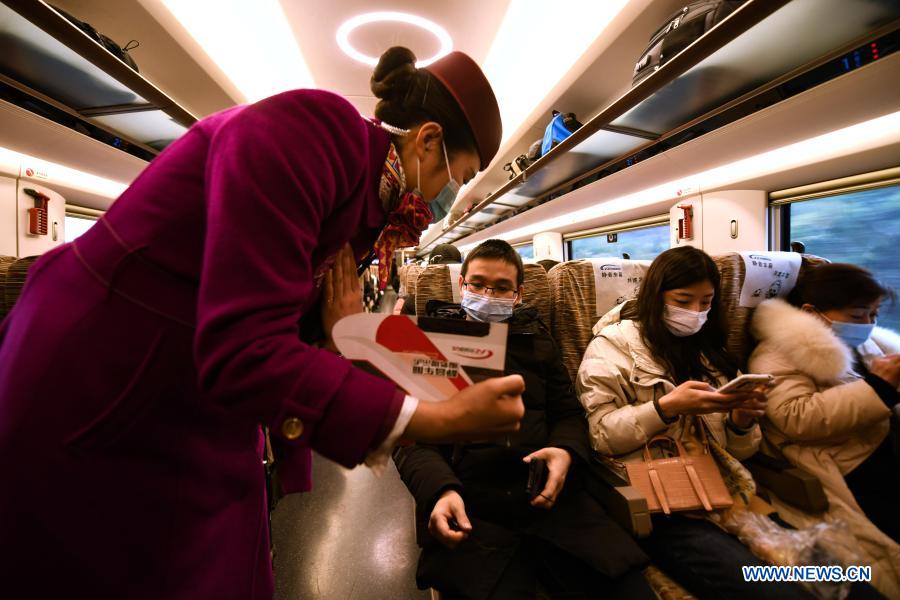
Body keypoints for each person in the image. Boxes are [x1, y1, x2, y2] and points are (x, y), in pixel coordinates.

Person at [0, 47, 526, 599]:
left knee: (222, 559)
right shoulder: (315, 131)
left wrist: (347, 336)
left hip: (191, 384)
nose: (450, 197)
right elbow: (246, 345)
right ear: (427, 139)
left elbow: (294, 318)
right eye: (457, 176)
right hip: (105, 367)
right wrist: (431, 420)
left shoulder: (370, 209)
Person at [395, 240, 653, 600]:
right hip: (473, 506)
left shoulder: (539, 341)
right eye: (478, 284)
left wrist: (564, 452)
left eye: (501, 288)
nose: (488, 294)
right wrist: (441, 491)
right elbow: (411, 444)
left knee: (628, 589)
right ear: (462, 287)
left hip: (549, 498)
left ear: (517, 295)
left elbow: (568, 413)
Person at [576, 246, 812, 599]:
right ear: (656, 295)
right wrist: (665, 408)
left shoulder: (710, 352)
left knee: (836, 576)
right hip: (665, 505)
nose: (695, 313)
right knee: (774, 591)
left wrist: (741, 421)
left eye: (706, 303)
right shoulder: (612, 346)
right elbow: (600, 435)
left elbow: (738, 452)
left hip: (725, 490)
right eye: (684, 301)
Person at [748, 263, 900, 597]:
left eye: (874, 314)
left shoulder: (869, 344)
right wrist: (880, 389)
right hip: (836, 463)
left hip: (877, 446)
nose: (869, 324)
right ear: (812, 313)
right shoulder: (777, 354)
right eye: (859, 314)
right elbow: (796, 417)